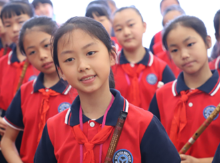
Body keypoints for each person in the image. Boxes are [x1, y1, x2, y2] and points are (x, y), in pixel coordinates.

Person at [34, 16, 180, 163]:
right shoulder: (54, 129)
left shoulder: (144, 123)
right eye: (69, 59)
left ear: (111, 56)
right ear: (61, 72)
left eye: (90, 53)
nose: (82, 66)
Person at [1, 16, 78, 163]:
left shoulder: (78, 87)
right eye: (32, 52)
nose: (42, 56)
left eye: (46, 46)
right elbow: (7, 141)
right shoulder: (25, 91)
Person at [149, 15, 220, 163]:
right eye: (174, 50)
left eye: (190, 44)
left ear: (208, 42)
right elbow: (150, 145)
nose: (184, 55)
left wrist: (200, 162)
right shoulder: (162, 95)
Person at [112, 6, 175, 110]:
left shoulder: (160, 68)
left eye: (131, 25)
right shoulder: (110, 67)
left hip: (152, 125)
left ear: (144, 26)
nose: (126, 32)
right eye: (119, 29)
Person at [0, 1, 38, 162]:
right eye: (8, 25)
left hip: (35, 128)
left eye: (21, 22)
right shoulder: (2, 62)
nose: (15, 29)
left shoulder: (44, 61)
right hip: (6, 129)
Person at [150, 5, 185, 77]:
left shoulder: (197, 52)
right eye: (168, 26)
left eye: (178, 23)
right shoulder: (158, 62)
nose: (174, 29)